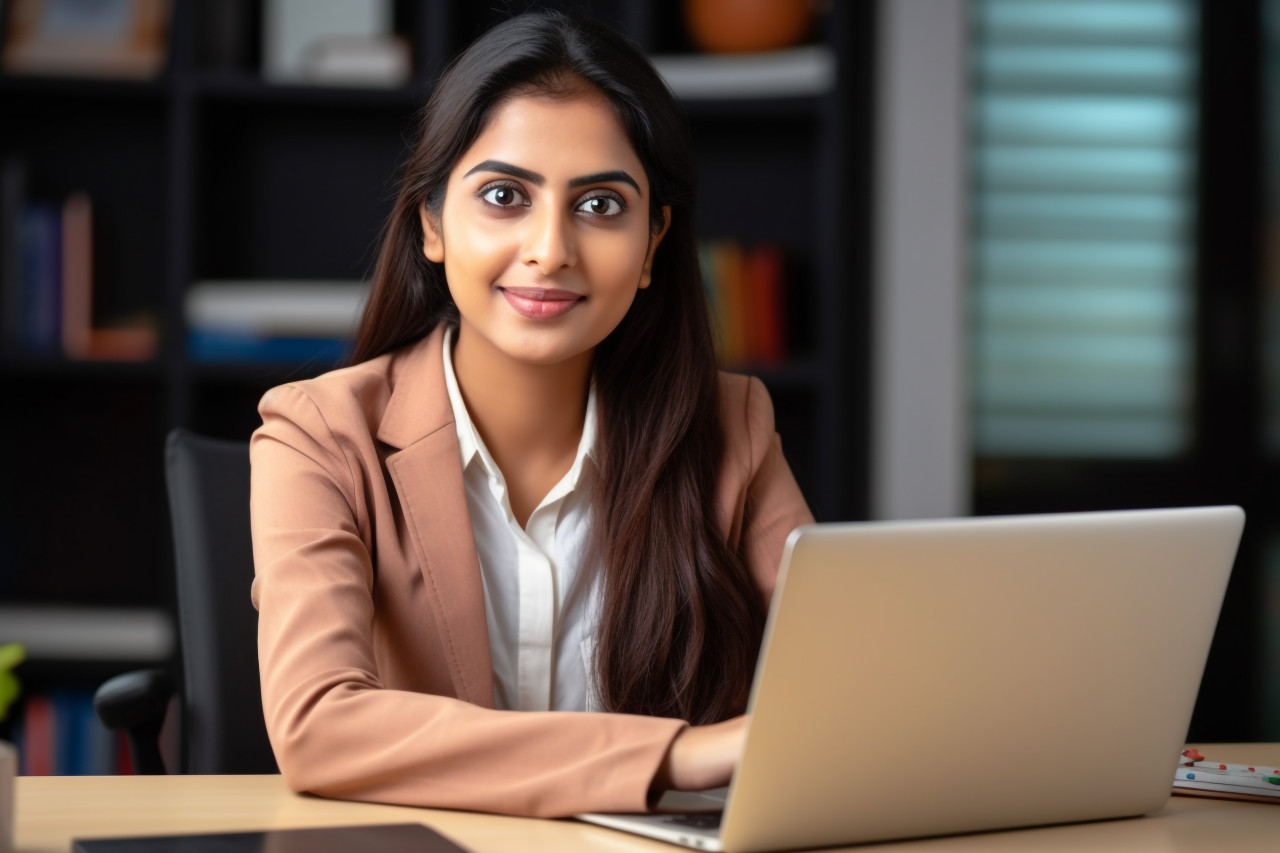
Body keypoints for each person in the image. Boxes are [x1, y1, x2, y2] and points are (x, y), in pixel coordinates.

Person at [248, 9, 813, 819]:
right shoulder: (318, 434)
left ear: (655, 243)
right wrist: (676, 754)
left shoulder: (730, 425)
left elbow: (847, 681)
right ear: (432, 223)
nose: (550, 248)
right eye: (506, 196)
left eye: (601, 206)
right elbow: (318, 726)